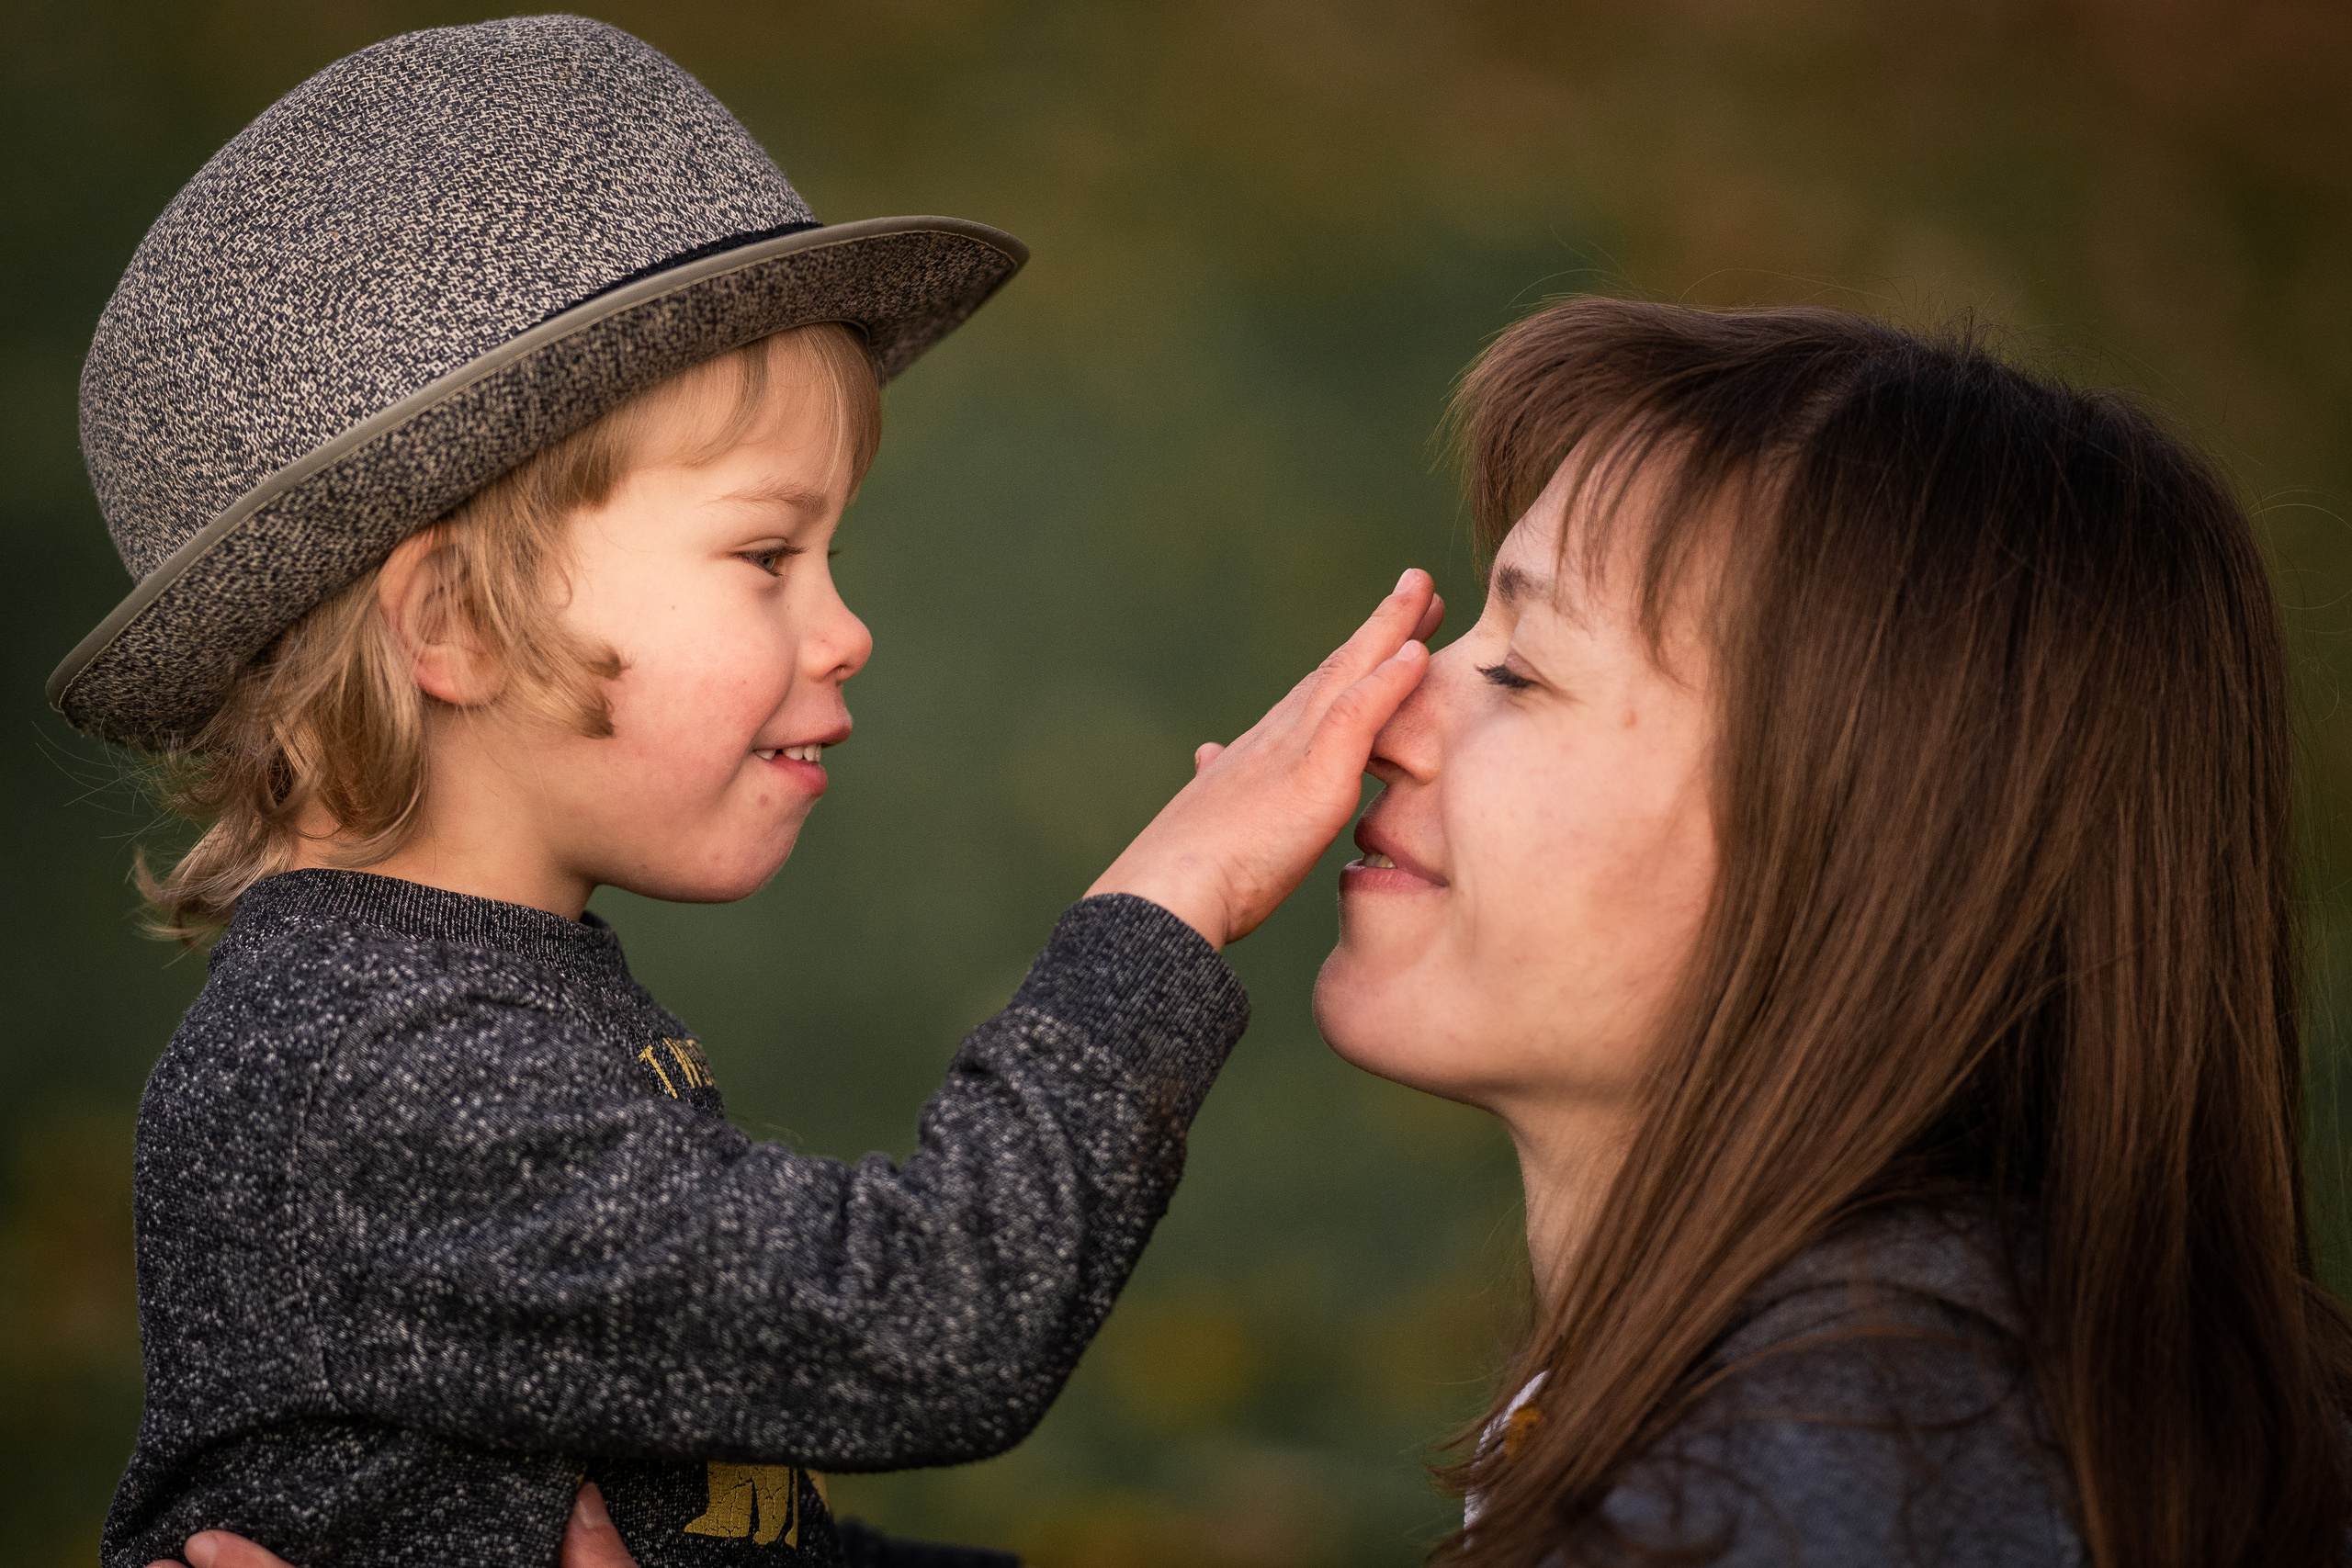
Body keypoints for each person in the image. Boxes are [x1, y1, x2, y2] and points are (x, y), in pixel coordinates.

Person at [62, 17, 1441, 1568]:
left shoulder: (453, 1002)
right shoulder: (365, 1071)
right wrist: (1160, 914)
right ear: (452, 625)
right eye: (768, 555)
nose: (847, 629)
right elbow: (929, 1324)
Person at [1312, 296, 2352, 1564]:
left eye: (1525, 671)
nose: (1380, 716)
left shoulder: (1819, 1493)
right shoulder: (1927, 1418)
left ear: (1870, 840)